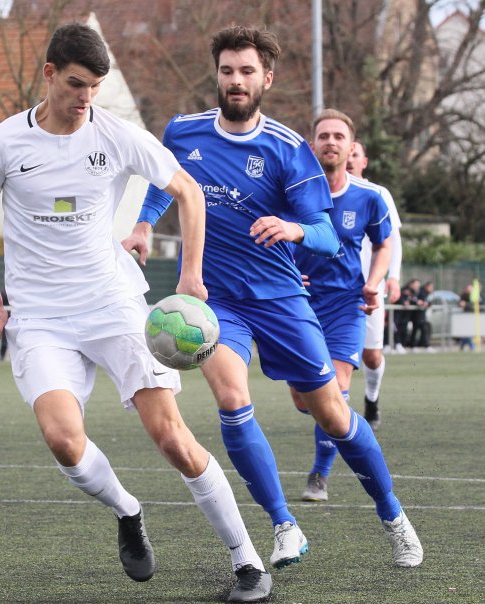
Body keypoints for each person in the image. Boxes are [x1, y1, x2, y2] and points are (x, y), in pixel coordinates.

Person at [0, 23, 271, 603]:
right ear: (50, 74)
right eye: (77, 85)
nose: (86, 100)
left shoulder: (117, 135)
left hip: (113, 303)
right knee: (63, 440)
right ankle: (127, 510)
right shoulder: (2, 143)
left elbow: (190, 192)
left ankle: (248, 563)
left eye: (96, 89)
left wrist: (189, 276)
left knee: (172, 438)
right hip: (40, 317)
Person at [124, 27, 423, 569]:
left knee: (331, 414)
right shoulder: (183, 132)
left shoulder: (289, 150)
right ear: (215, 75)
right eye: (226, 71)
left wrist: (294, 230)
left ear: (267, 78)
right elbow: (160, 183)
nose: (235, 81)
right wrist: (144, 225)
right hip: (219, 304)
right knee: (232, 401)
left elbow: (330, 237)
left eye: (245, 72)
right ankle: (285, 525)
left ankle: (393, 514)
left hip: (282, 298)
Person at [291, 110, 391, 504]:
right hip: (297, 306)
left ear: (351, 147)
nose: (331, 142)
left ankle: (320, 474)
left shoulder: (369, 198)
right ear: (311, 143)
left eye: (338, 136)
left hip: (346, 306)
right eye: (323, 136)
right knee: (306, 399)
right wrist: (285, 273)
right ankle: (327, 428)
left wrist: (373, 282)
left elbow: (384, 244)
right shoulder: (293, 193)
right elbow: (272, 236)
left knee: (336, 387)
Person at [346, 140, 402, 430]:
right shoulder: (324, 191)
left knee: (371, 354)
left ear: (364, 162)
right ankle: (335, 411)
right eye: (348, 154)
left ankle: (371, 399)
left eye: (356, 155)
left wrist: (393, 276)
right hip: (331, 288)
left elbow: (392, 241)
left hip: (369, 286)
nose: (350, 159)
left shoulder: (379, 194)